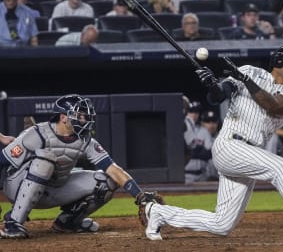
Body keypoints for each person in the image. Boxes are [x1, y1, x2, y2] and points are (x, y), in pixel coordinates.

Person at [139, 44, 283, 241]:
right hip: (229, 145)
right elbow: (218, 96)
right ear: (279, 61)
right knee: (279, 166)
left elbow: (274, 106)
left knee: (222, 224)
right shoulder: (250, 71)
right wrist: (211, 84)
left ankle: (158, 213)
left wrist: (245, 81)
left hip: (249, 155)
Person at [0, 94, 163, 238]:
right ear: (64, 117)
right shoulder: (36, 134)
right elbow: (2, 161)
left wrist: (139, 195)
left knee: (107, 181)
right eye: (80, 115)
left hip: (54, 188)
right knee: (45, 159)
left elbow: (113, 169)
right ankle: (13, 223)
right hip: (17, 186)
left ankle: (67, 222)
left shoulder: (85, 140)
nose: (85, 119)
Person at [184, 101, 213, 183]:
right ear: (186, 113)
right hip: (185, 175)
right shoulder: (181, 130)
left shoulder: (204, 131)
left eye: (196, 112)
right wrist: (198, 150)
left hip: (202, 174)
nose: (194, 114)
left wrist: (193, 152)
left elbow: (208, 153)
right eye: (191, 111)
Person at [200, 109, 220, 181]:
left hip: (219, 178)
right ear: (202, 123)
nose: (211, 125)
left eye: (214, 122)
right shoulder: (197, 138)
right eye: (208, 122)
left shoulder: (223, 138)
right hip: (200, 179)